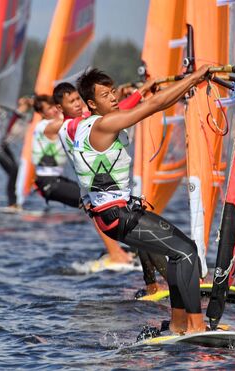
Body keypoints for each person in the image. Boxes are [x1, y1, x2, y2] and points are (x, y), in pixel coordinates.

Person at [69, 66, 211, 333]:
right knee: (187, 252)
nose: (113, 97)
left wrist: (147, 91)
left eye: (112, 92)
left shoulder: (84, 126)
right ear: (91, 104)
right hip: (120, 215)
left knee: (176, 253)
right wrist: (194, 78)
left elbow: (138, 105)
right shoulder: (105, 124)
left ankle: (179, 323)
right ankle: (196, 326)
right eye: (105, 95)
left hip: (110, 217)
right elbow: (155, 106)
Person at [46, 82, 168, 295]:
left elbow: (108, 114)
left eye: (78, 99)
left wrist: (121, 94)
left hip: (104, 193)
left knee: (140, 237)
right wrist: (141, 93)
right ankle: (173, 285)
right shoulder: (71, 127)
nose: (77, 104)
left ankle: (152, 286)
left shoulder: (81, 122)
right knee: (147, 235)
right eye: (71, 101)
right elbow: (114, 117)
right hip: (103, 197)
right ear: (60, 108)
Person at [0, 96, 33, 209]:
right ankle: (12, 203)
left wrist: (27, 104)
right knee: (13, 171)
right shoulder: (12, 113)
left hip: (2, 144)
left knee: (15, 171)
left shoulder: (14, 113)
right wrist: (24, 105)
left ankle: (14, 202)